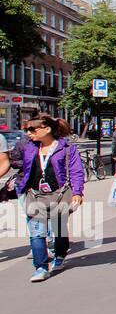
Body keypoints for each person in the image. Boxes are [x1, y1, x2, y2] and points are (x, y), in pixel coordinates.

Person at [1, 115, 85, 282]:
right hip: (34, 194)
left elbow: (76, 171)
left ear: (47, 130)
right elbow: (17, 164)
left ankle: (60, 256)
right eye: (27, 129)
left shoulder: (67, 148)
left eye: (32, 129)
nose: (28, 133)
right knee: (37, 232)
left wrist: (77, 192)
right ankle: (40, 267)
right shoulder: (29, 147)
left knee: (59, 229)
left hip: (59, 194)